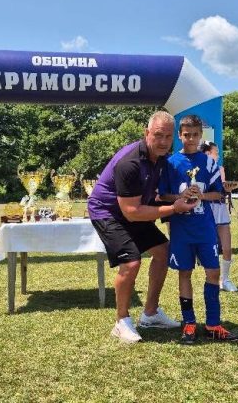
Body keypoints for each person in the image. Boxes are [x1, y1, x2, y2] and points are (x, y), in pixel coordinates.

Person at [87, 111, 197, 343]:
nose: (163, 142)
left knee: (164, 252)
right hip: (108, 212)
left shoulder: (163, 159)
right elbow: (132, 212)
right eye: (158, 135)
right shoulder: (130, 163)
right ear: (147, 133)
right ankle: (121, 321)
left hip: (135, 209)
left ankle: (150, 313)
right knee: (131, 262)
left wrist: (181, 196)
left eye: (168, 136)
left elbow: (155, 197)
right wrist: (174, 208)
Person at [159, 115, 238, 343]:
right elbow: (162, 195)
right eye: (186, 135)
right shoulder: (170, 163)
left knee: (213, 272)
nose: (191, 139)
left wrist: (202, 195)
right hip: (181, 228)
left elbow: (218, 193)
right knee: (184, 273)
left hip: (205, 228)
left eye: (195, 135)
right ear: (179, 135)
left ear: (201, 136)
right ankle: (189, 323)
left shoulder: (209, 163)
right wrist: (179, 197)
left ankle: (213, 324)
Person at [200, 141, 237, 292]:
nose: (218, 155)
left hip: (220, 209)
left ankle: (226, 279)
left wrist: (228, 188)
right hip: (205, 210)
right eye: (216, 152)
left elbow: (221, 189)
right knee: (209, 247)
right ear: (207, 153)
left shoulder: (220, 168)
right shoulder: (198, 169)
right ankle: (212, 279)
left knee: (227, 246)